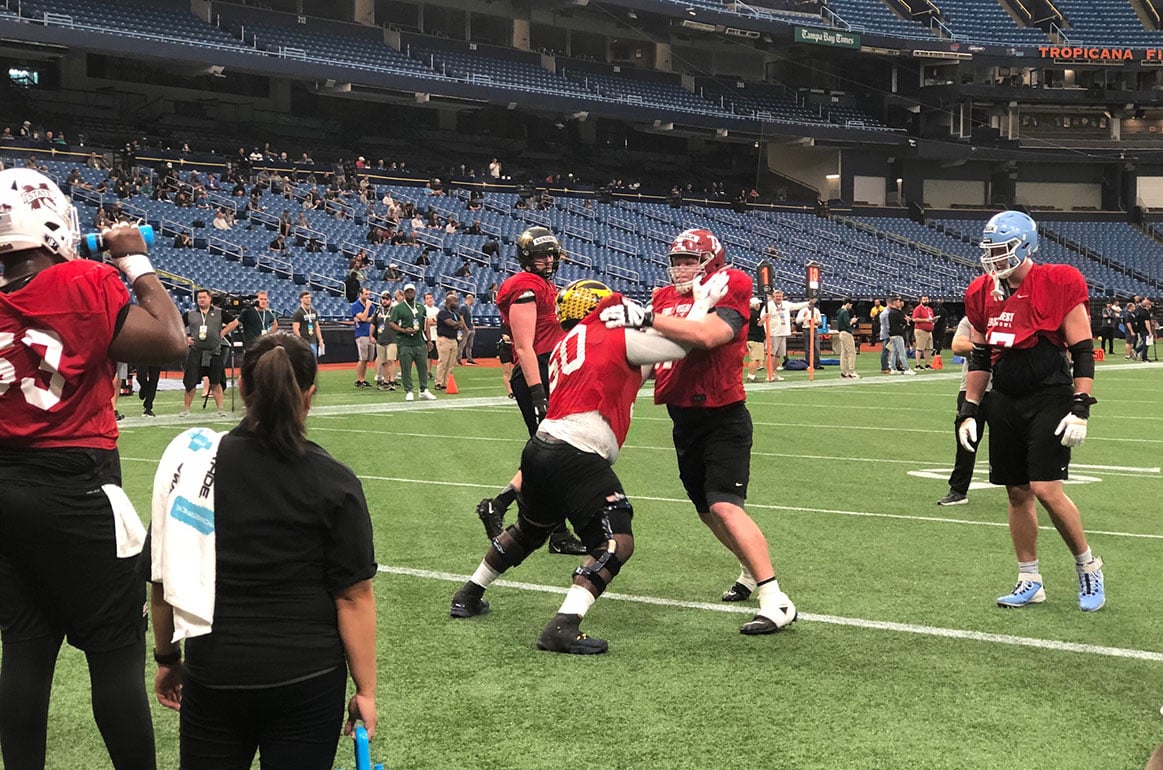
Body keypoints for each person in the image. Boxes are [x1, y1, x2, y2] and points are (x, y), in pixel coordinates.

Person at [0, 168, 186, 770]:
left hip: (4, 486)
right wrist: (134, 261)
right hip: (76, 484)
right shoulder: (81, 280)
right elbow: (170, 339)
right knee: (114, 653)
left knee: (25, 650)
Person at [449, 278, 719, 653]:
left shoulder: (565, 345)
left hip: (542, 448)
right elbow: (685, 343)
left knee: (530, 530)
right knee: (616, 540)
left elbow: (638, 367)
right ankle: (563, 623)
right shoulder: (609, 336)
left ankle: (469, 593)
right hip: (577, 454)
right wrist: (700, 305)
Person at [150, 333, 377, 769]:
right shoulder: (334, 481)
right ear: (308, 395)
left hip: (215, 672)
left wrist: (166, 659)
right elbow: (353, 596)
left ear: (242, 388)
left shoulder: (192, 467)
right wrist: (365, 691)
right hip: (307, 677)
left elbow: (163, 578)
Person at [601, 228, 797, 635]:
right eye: (676, 261)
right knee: (707, 512)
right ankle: (748, 570)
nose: (680, 268)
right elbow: (653, 355)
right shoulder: (664, 298)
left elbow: (709, 336)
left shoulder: (732, 282)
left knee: (725, 504)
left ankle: (775, 598)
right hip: (683, 416)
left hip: (723, 414)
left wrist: (649, 319)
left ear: (710, 261)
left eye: (689, 260)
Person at [956, 210, 1104, 611]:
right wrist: (968, 409)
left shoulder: (1059, 280)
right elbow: (982, 356)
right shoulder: (981, 291)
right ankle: (1029, 578)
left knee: (1045, 489)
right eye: (991, 251)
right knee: (1017, 491)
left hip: (1049, 394)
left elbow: (1082, 351)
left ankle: (1088, 565)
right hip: (1005, 395)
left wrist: (1080, 405)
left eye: (1003, 250)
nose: (995, 259)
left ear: (1025, 247)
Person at [475, 227, 585, 555]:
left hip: (548, 370)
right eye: (541, 255)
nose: (548, 260)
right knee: (554, 455)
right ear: (526, 257)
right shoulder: (524, 286)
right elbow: (524, 346)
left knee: (551, 457)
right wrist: (539, 393)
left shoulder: (544, 285)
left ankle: (553, 531)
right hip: (536, 373)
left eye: (552, 254)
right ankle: (502, 506)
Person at [937, 315, 990, 506]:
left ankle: (1018, 490)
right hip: (970, 388)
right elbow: (958, 346)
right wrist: (994, 347)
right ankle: (958, 490)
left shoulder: (1012, 315)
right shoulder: (972, 319)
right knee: (965, 441)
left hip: (1005, 389)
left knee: (1008, 443)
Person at [180, 289, 239, 418]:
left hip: (214, 352)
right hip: (196, 352)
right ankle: (186, 409)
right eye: (199, 297)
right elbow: (177, 326)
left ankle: (220, 409)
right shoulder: (189, 314)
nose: (201, 300)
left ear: (210, 299)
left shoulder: (219, 313)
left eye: (204, 297)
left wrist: (222, 333)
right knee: (191, 382)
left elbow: (234, 322)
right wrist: (185, 339)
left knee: (216, 381)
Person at [388, 283, 436, 401]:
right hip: (405, 342)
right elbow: (391, 323)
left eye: (412, 291)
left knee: (423, 367)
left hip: (419, 341)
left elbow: (426, 324)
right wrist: (404, 330)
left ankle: (423, 389)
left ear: (415, 293)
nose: (410, 293)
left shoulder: (421, 307)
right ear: (404, 294)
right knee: (406, 368)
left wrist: (429, 339)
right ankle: (409, 390)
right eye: (408, 292)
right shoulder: (398, 308)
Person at [433, 291, 462, 390]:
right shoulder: (442, 312)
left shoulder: (455, 314)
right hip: (444, 339)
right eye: (455, 301)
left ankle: (446, 382)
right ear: (449, 302)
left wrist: (456, 324)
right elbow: (450, 323)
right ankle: (438, 382)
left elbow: (461, 324)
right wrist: (456, 324)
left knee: (450, 363)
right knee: (443, 362)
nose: (457, 303)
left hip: (453, 339)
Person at [372, 291, 398, 391]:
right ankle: (385, 380)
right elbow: (373, 323)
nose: (384, 301)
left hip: (392, 339)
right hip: (381, 339)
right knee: (383, 362)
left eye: (386, 299)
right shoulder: (378, 310)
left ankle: (392, 380)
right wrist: (371, 335)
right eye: (383, 299)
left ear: (390, 301)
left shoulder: (395, 310)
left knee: (391, 360)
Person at [351, 287, 375, 388]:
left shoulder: (372, 306)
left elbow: (372, 319)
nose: (367, 296)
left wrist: (363, 318)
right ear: (360, 294)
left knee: (367, 359)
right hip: (361, 334)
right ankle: (359, 379)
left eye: (368, 294)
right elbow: (364, 318)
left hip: (369, 334)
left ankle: (363, 378)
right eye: (366, 294)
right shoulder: (356, 305)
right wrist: (367, 308)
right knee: (362, 358)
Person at [291, 290, 324, 358]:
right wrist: (301, 341)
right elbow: (295, 328)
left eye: (309, 297)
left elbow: (317, 326)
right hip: (304, 341)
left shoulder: (314, 312)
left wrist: (320, 339)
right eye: (306, 297)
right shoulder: (298, 313)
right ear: (301, 299)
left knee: (313, 360)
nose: (308, 299)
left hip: (313, 340)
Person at [886, 296, 913, 375]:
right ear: (894, 302)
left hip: (892, 334)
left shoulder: (891, 312)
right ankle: (906, 368)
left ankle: (893, 368)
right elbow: (904, 321)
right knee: (902, 352)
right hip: (898, 334)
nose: (900, 303)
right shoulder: (897, 312)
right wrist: (907, 320)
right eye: (898, 301)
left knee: (894, 352)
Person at [834, 298, 859, 379]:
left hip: (841, 333)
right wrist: (852, 321)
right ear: (848, 304)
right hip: (846, 333)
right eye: (850, 305)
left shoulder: (839, 311)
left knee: (844, 353)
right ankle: (851, 372)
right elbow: (847, 324)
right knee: (852, 352)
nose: (851, 307)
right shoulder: (844, 312)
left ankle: (844, 372)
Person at [912, 295, 936, 369]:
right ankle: (918, 364)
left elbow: (931, 318)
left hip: (929, 330)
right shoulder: (918, 309)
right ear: (921, 300)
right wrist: (925, 320)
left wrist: (933, 321)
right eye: (924, 299)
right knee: (920, 348)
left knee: (928, 348)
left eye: (927, 299)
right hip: (921, 329)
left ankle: (927, 364)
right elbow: (914, 319)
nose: (926, 301)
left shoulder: (930, 309)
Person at [458, 292, 477, 365]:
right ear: (470, 299)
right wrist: (465, 326)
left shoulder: (469, 307)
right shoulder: (463, 307)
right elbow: (461, 317)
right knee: (462, 344)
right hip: (466, 328)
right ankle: (458, 358)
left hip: (471, 327)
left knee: (470, 345)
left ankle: (469, 358)